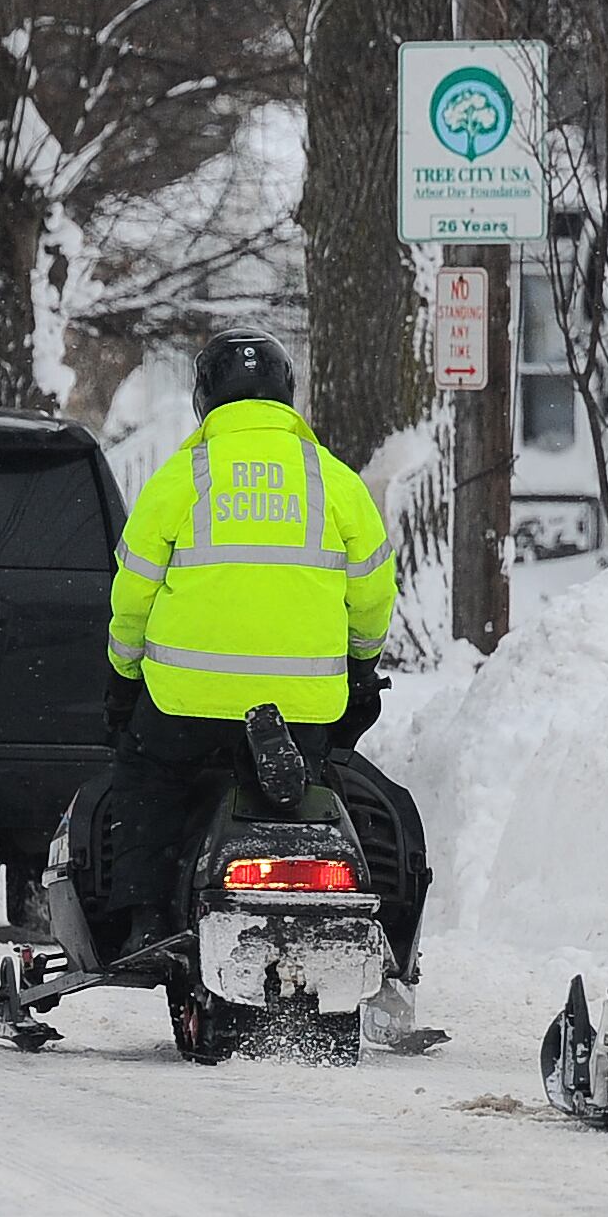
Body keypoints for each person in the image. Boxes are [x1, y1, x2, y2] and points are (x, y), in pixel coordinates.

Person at [94, 329, 406, 949]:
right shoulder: (334, 482)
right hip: (303, 703)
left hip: (188, 700)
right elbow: (373, 595)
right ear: (286, 398)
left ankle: (146, 918)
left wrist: (124, 677)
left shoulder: (181, 480)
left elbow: (132, 597)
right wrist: (361, 665)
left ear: (204, 403)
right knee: (323, 783)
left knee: (149, 779)